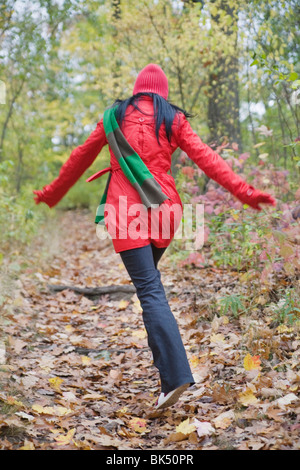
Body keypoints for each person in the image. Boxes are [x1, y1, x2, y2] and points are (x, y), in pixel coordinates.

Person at [33, 64, 276, 410]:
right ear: (161, 93)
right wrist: (246, 193)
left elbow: (78, 158)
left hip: (125, 211)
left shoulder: (114, 115)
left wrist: (51, 194)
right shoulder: (172, 118)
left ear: (137, 90)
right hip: (164, 211)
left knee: (149, 290)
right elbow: (208, 159)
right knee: (150, 287)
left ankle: (175, 376)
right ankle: (168, 376)